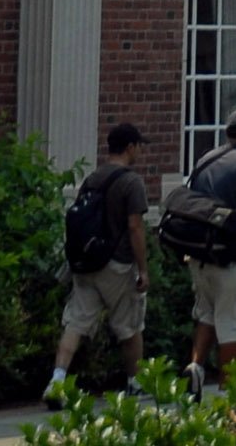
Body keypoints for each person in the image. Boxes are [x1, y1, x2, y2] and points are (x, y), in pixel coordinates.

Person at [49, 124, 150, 396]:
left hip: (86, 262)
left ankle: (57, 380)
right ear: (130, 147)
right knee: (129, 326)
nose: (140, 151)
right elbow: (135, 227)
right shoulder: (132, 182)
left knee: (76, 323)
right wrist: (143, 269)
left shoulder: (93, 178)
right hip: (118, 265)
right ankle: (135, 383)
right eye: (139, 146)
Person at [185, 107, 236, 395]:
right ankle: (228, 397)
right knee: (234, 324)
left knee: (207, 313)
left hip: (200, 255)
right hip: (231, 258)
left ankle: (195, 367)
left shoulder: (206, 159)